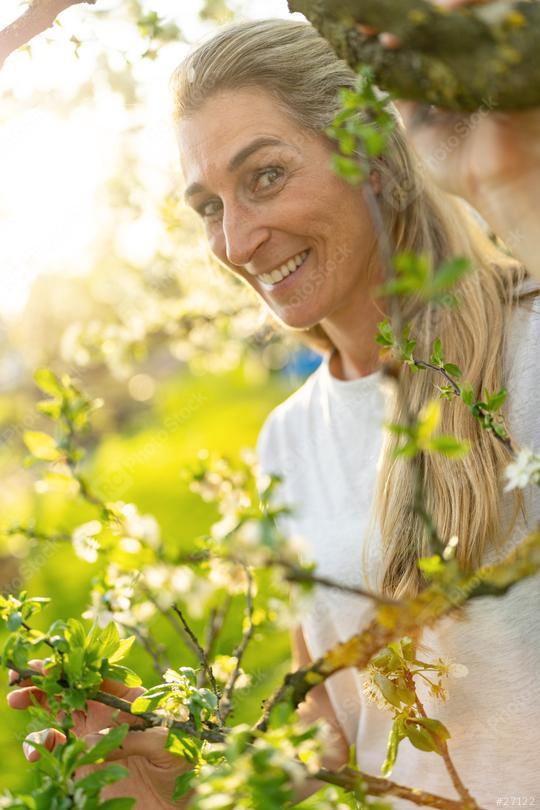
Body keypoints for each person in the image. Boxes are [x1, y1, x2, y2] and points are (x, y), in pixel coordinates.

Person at [8, 10, 540, 809]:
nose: (234, 242)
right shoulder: (288, 438)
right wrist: (184, 768)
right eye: (209, 207)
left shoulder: (528, 354)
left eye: (264, 176)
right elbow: (331, 710)